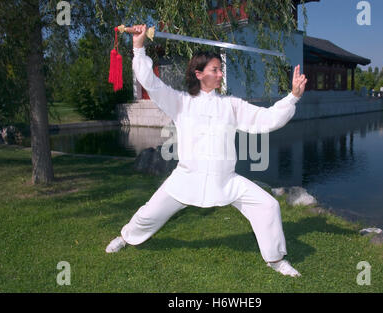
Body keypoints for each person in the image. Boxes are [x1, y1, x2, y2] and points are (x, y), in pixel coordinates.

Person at [106, 24, 307, 277]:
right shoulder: (180, 102)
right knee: (149, 213)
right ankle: (126, 237)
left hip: (226, 181)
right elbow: (150, 82)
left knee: (268, 206)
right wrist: (138, 46)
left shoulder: (231, 105)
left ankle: (276, 260)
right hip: (186, 178)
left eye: (221, 69)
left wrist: (292, 98)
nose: (221, 74)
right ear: (199, 74)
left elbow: (266, 120)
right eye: (215, 70)